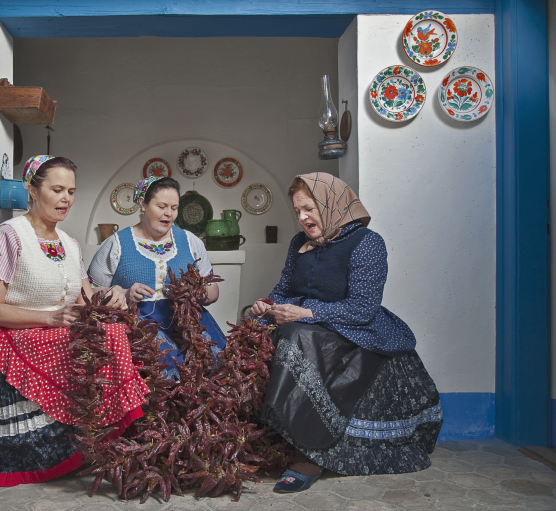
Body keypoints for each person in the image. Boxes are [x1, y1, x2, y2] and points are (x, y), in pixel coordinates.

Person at [0, 156, 149, 486]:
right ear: (32, 190)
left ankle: (112, 438)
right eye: (57, 189)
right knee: (102, 338)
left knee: (115, 330)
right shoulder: (8, 236)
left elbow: (86, 300)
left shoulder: (70, 244)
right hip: (8, 337)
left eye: (72, 191)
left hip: (52, 334)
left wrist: (115, 293)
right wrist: (49, 317)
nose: (66, 199)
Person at [250, 172, 442, 492]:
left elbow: (363, 308)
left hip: (351, 327)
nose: (303, 217)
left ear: (332, 204)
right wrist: (266, 306)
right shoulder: (299, 243)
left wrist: (308, 312)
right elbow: (283, 290)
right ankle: (267, 439)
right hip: (304, 322)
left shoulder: (368, 243)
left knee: (297, 338)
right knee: (265, 335)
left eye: (309, 208)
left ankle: (308, 454)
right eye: (297, 211)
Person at [88, 176, 227, 378]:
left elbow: (213, 291)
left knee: (214, 371)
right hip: (137, 324)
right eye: (161, 206)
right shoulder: (116, 243)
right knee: (164, 377)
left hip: (186, 321)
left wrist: (197, 291)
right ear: (143, 204)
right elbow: (90, 292)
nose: (169, 214)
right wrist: (125, 294)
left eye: (174, 207)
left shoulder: (190, 241)